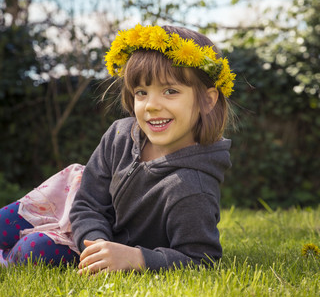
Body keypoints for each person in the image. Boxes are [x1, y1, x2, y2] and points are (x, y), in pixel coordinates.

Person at [0, 24, 236, 273]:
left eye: (170, 91)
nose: (151, 105)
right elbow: (88, 203)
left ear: (208, 100)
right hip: (76, 214)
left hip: (109, 249)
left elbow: (200, 260)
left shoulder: (191, 187)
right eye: (142, 92)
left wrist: (138, 259)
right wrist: (96, 241)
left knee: (32, 250)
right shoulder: (121, 134)